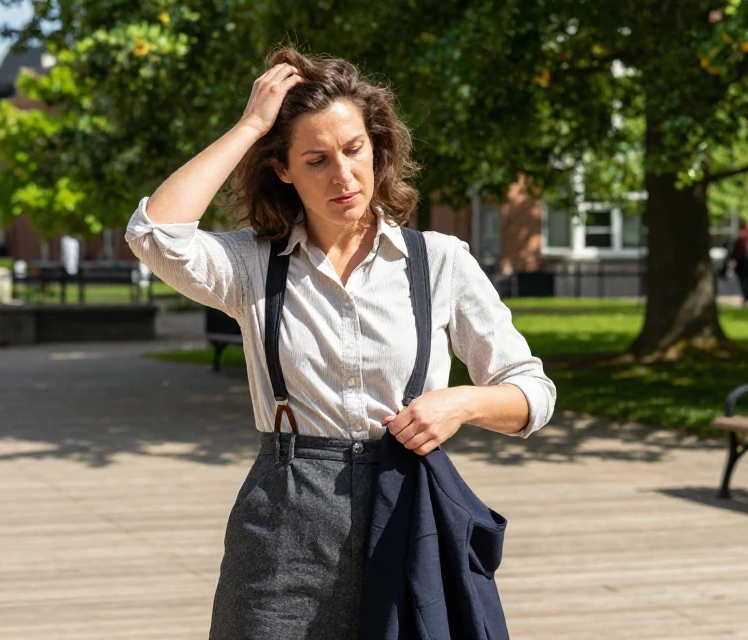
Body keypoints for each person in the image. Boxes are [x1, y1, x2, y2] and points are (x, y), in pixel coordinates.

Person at [125, 47, 555, 639]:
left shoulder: (440, 262)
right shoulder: (253, 265)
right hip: (282, 528)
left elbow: (532, 392)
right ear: (283, 169)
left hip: (408, 514)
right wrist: (251, 125)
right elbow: (155, 236)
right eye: (316, 159)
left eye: (354, 150)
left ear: (377, 148)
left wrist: (460, 404)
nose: (343, 175)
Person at [730, 224, 748, 308]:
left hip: (743, 265)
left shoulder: (741, 240)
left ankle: (745, 298)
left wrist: (733, 260)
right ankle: (747, 297)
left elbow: (736, 253)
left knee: (744, 282)